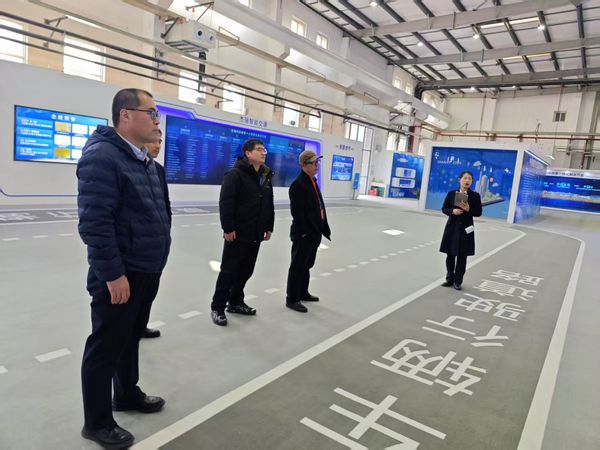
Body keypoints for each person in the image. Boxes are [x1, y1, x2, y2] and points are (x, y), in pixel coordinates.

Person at [77, 88, 171, 448]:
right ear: (125, 115)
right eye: (151, 113)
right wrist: (113, 275)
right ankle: (97, 422)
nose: (157, 121)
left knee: (129, 338)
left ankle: (127, 394)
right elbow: (95, 224)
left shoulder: (143, 161)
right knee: (105, 347)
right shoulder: (103, 158)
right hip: (121, 273)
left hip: (146, 268)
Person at [210, 138, 274, 326]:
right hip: (238, 233)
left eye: (264, 150)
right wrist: (228, 228)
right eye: (259, 149)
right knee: (228, 271)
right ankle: (217, 307)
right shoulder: (235, 175)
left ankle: (236, 302)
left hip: (256, 232)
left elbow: (268, 203)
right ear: (248, 153)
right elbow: (226, 203)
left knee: (246, 270)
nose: (263, 152)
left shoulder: (265, 175)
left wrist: (268, 226)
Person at [285, 150, 331, 313]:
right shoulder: (298, 185)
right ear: (303, 165)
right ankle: (292, 298)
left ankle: (303, 292)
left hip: (314, 232)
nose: (316, 166)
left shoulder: (312, 181)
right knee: (297, 266)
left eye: (317, 163)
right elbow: (297, 213)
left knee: (306, 265)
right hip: (304, 233)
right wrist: (305, 232)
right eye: (313, 163)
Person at [141, 130, 172, 339]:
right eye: (154, 141)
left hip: (157, 247)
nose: (158, 145)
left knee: (149, 292)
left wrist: (166, 230)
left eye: (160, 141)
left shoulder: (158, 170)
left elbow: (165, 204)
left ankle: (140, 325)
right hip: (138, 245)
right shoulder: (129, 167)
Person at [439, 170, 482, 290]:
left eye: (469, 179)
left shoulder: (475, 196)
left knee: (462, 257)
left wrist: (468, 209)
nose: (467, 180)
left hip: (466, 230)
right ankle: (449, 278)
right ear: (460, 180)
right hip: (452, 228)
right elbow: (444, 208)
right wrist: (453, 211)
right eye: (465, 178)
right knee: (450, 255)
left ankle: (458, 281)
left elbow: (478, 212)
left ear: (472, 181)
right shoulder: (451, 194)